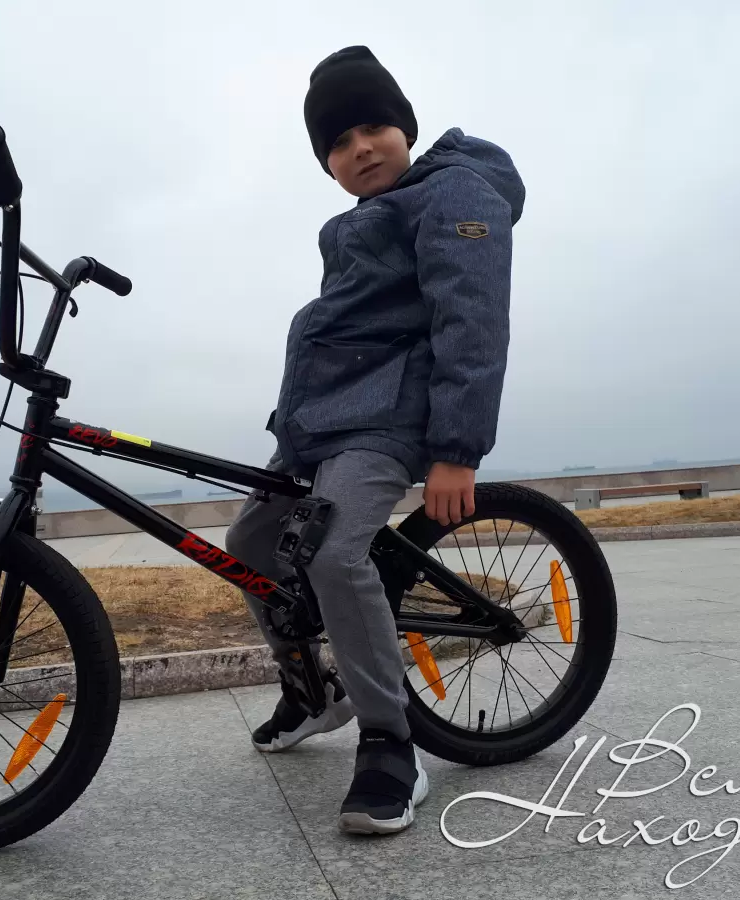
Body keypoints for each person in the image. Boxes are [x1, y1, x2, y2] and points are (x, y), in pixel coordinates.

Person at [224, 45, 525, 835]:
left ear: (405, 129)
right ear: (326, 164)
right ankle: (312, 691)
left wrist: (456, 449)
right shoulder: (362, 220)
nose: (359, 148)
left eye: (374, 127)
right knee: (247, 543)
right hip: (321, 426)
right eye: (338, 142)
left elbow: (472, 318)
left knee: (332, 556)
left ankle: (391, 743)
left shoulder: (454, 191)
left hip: (389, 419)